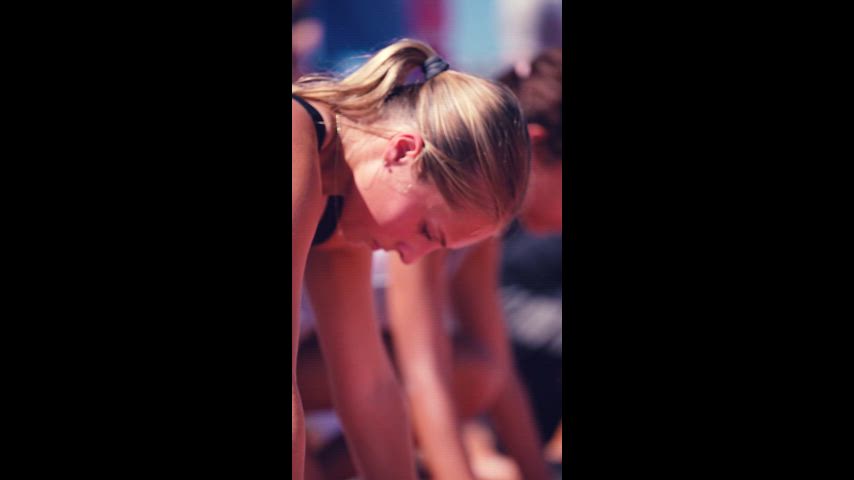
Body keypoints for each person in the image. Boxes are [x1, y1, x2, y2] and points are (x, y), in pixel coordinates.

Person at [297, 48, 562, 480]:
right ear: (402, 152)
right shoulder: (299, 139)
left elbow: (369, 390)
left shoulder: (344, 212)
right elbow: (421, 375)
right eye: (426, 231)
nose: (410, 255)